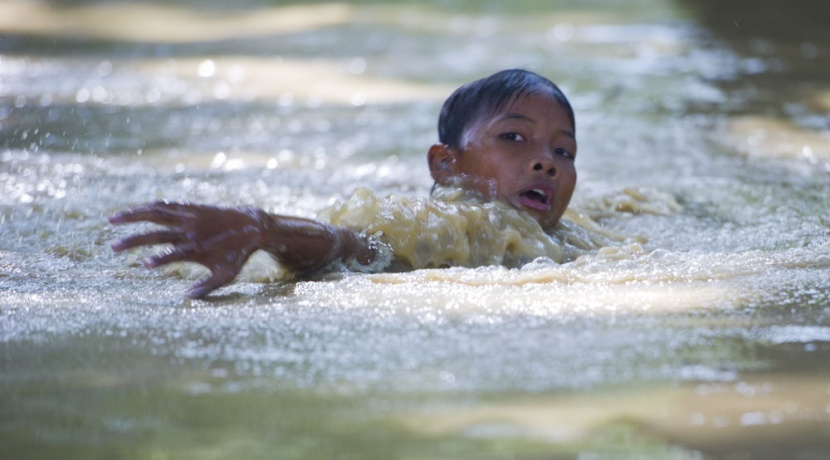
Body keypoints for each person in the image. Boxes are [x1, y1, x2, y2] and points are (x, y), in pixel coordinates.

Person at [110, 68, 578, 298]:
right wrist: (266, 230)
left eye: (563, 151)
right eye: (514, 137)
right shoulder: (454, 227)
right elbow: (358, 246)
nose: (546, 163)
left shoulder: (559, 234)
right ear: (445, 166)